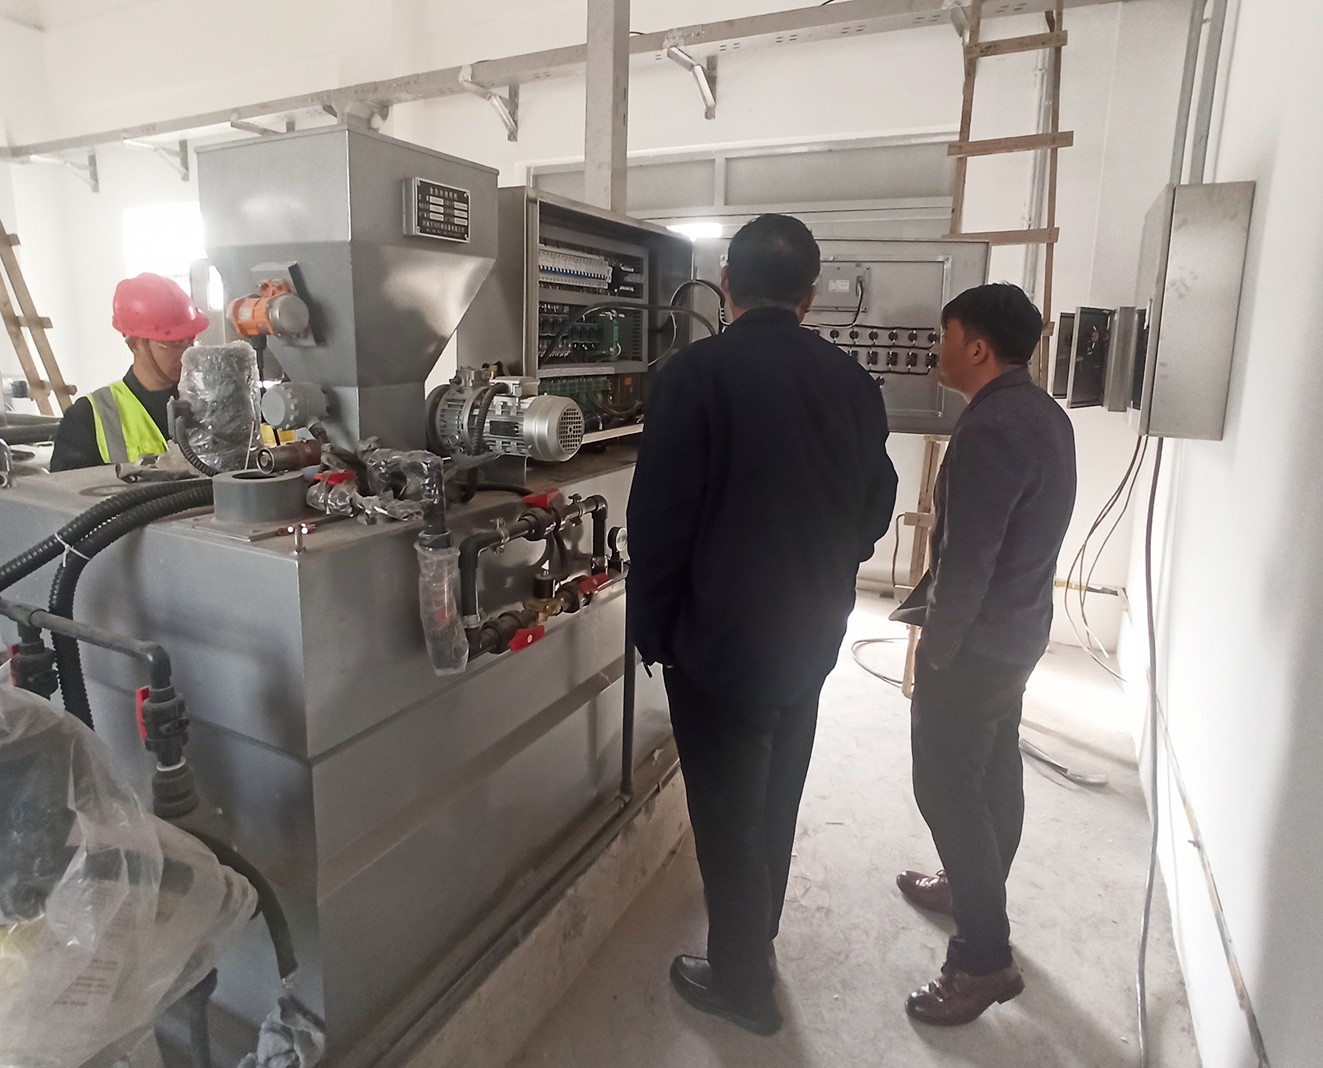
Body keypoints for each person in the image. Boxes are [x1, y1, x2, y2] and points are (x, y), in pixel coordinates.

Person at [626, 214, 898, 1036]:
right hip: (808, 636)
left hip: (718, 643)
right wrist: (827, 566)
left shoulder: (695, 375)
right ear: (808, 295)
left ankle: (741, 981)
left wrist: (653, 630)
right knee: (776, 797)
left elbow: (660, 519)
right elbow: (875, 505)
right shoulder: (851, 383)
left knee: (725, 815)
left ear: (726, 285)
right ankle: (758, 941)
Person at [893, 282, 1076, 1026]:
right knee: (994, 766)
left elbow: (969, 558)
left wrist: (936, 648)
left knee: (945, 788)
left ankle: (981, 960)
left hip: (976, 644)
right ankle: (972, 890)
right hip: (1018, 635)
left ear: (975, 347)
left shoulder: (992, 429)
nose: (936, 349)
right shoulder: (1042, 414)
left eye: (945, 335)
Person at [49, 273, 209, 471]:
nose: (186, 354)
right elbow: (66, 488)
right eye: (174, 344)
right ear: (135, 344)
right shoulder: (88, 418)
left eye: (190, 341)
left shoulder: (209, 402)